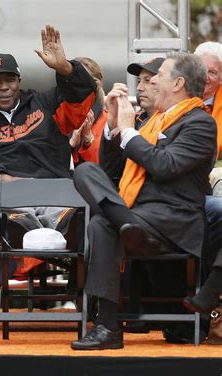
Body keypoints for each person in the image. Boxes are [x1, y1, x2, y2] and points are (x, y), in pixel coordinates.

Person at [70, 52, 217, 350]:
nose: (151, 83)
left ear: (177, 83)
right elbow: (111, 171)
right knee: (86, 171)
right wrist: (113, 128)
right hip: (137, 217)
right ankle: (125, 225)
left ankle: (107, 327)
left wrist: (127, 133)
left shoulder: (200, 123)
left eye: (158, 76)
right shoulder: (150, 123)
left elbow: (165, 166)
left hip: (172, 221)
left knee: (101, 224)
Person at [0, 25, 96, 232]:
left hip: (47, 186)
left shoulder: (44, 103)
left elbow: (83, 95)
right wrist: (1, 176)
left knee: (66, 202)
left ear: (19, 81)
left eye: (9, 80)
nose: (4, 87)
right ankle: (19, 226)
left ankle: (41, 232)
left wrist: (65, 68)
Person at [183, 42, 222, 316]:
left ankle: (211, 295)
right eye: (202, 70)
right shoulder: (173, 98)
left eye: (214, 72)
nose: (207, 78)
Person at [69, 57, 107, 165]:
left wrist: (89, 141)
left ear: (97, 85)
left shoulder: (109, 122)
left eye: (79, 81)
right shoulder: (56, 117)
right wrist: (71, 144)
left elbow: (108, 170)